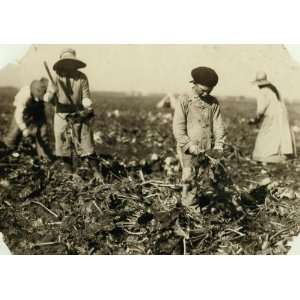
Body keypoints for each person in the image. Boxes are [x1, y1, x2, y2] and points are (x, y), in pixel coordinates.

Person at [43, 48, 103, 181]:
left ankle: (97, 173)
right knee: (62, 143)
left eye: (71, 63)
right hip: (61, 114)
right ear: (62, 63)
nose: (69, 66)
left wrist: (87, 104)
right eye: (66, 63)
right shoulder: (56, 77)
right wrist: (50, 93)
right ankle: (70, 174)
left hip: (78, 113)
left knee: (86, 140)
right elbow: (49, 96)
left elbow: (86, 96)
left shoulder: (81, 77)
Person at [173, 66, 226, 208]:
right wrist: (189, 145)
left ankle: (201, 202)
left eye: (209, 91)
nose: (205, 93)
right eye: (202, 90)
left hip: (207, 148)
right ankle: (189, 209)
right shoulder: (184, 100)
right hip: (188, 149)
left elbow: (218, 125)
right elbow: (178, 128)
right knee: (189, 178)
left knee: (206, 178)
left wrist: (219, 145)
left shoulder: (213, 103)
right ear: (194, 83)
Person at [249, 71, 297, 163]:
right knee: (280, 134)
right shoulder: (274, 89)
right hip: (282, 116)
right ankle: (282, 156)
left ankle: (265, 157)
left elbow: (261, 109)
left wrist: (255, 119)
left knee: (266, 135)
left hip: (271, 116)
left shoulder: (262, 91)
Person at [2, 78, 53, 160]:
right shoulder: (24, 96)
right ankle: (8, 151)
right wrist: (24, 128)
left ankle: (44, 156)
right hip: (24, 112)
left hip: (38, 110)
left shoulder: (45, 92)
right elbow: (18, 115)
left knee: (42, 132)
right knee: (15, 132)